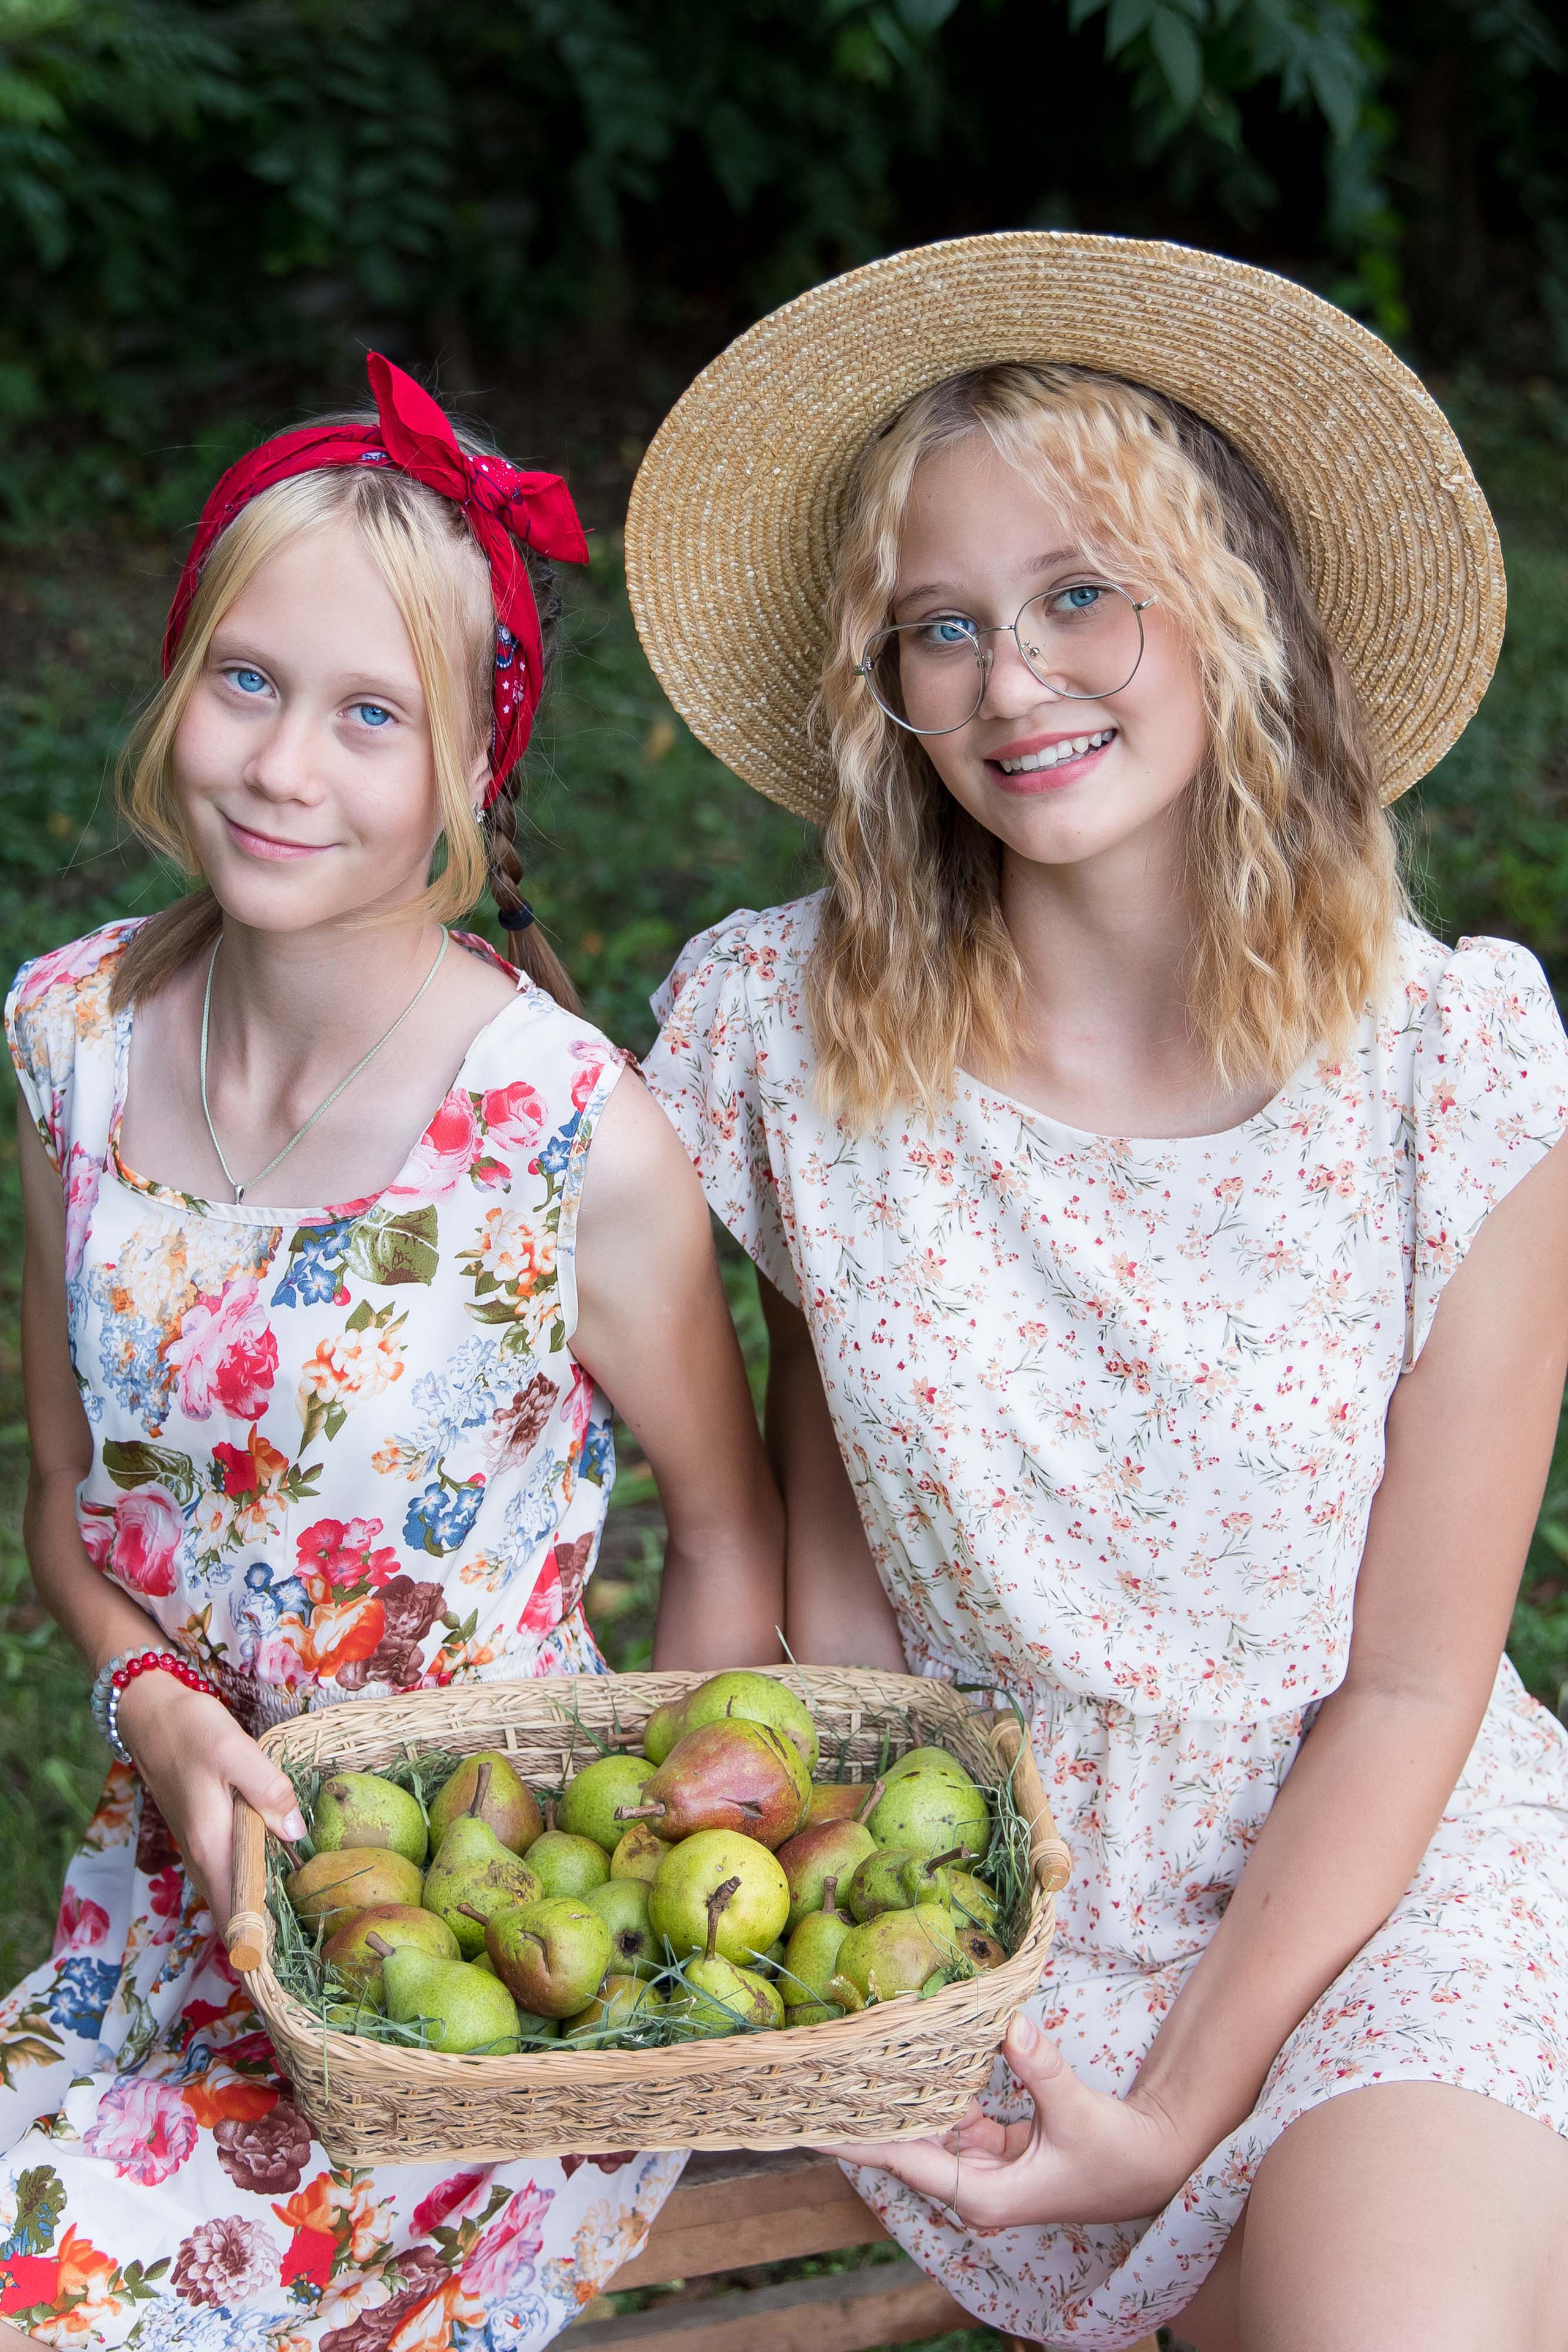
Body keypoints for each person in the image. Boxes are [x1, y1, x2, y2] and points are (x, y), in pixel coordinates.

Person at [633, 234, 1568, 2348]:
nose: (1010, 680)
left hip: (1374, 1882)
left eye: (1079, 594)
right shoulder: (798, 1042)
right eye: (937, 630)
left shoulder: (1454, 1068)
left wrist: (1180, 2108)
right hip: (1002, 1899)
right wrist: (864, 1928)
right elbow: (831, 1555)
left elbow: (1418, 1684)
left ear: (1233, 612)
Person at [0, 355, 782, 2352]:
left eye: (373, 717)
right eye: (248, 681)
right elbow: (71, 1512)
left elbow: (724, 1529)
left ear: (467, 770)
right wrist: (153, 1712)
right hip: (179, 1902)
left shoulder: (560, 1129)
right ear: (178, 679)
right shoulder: (76, 1037)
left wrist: (630, 1943)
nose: (284, 766)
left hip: (477, 1946)